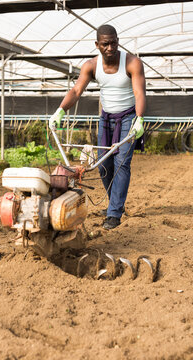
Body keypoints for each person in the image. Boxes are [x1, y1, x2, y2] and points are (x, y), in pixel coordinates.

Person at [49, 24, 146, 229]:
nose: (110, 47)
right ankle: (115, 204)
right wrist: (60, 110)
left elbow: (139, 93)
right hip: (106, 118)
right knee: (103, 165)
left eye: (114, 42)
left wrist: (139, 118)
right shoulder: (91, 66)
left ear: (118, 41)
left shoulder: (132, 63)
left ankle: (114, 213)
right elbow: (76, 91)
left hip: (128, 117)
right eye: (105, 44)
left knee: (121, 164)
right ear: (97, 45)